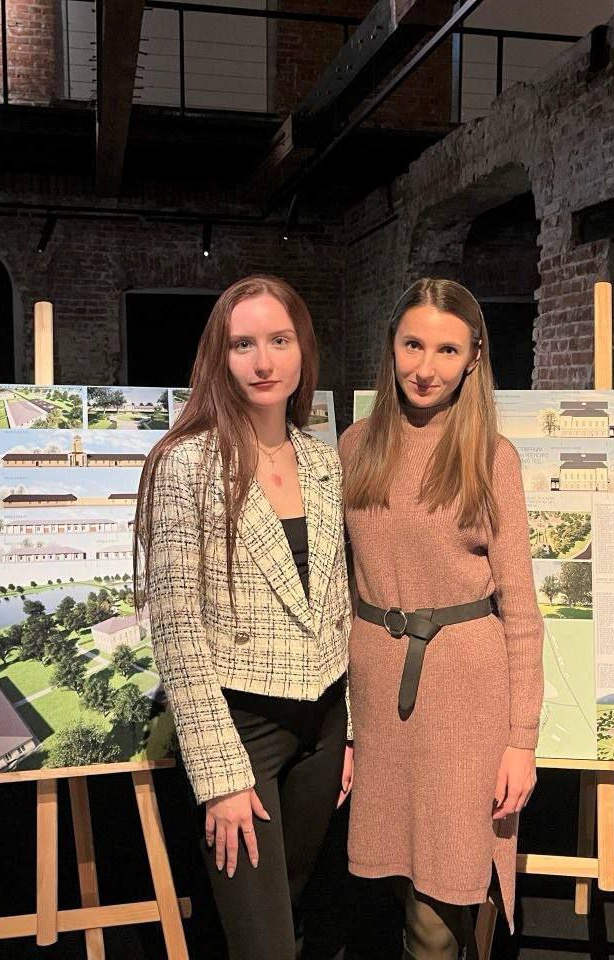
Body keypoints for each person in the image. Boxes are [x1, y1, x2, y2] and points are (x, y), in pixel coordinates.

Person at [136, 275, 352, 959]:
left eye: (279, 341)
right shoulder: (186, 464)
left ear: (302, 349)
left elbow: (339, 603)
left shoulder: (322, 461)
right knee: (264, 944)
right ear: (219, 357)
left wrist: (350, 731)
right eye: (244, 344)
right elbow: (176, 631)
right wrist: (220, 775)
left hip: (324, 726)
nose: (263, 362)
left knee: (294, 912)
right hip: (241, 731)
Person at [339, 278, 543, 959]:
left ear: (474, 357)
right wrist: (342, 727)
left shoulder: (490, 457)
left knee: (439, 899)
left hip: (465, 695)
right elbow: (335, 591)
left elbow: (521, 611)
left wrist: (521, 740)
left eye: (447, 350)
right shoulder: (354, 447)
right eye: (413, 345)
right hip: (377, 690)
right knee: (388, 882)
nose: (426, 368)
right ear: (391, 347)